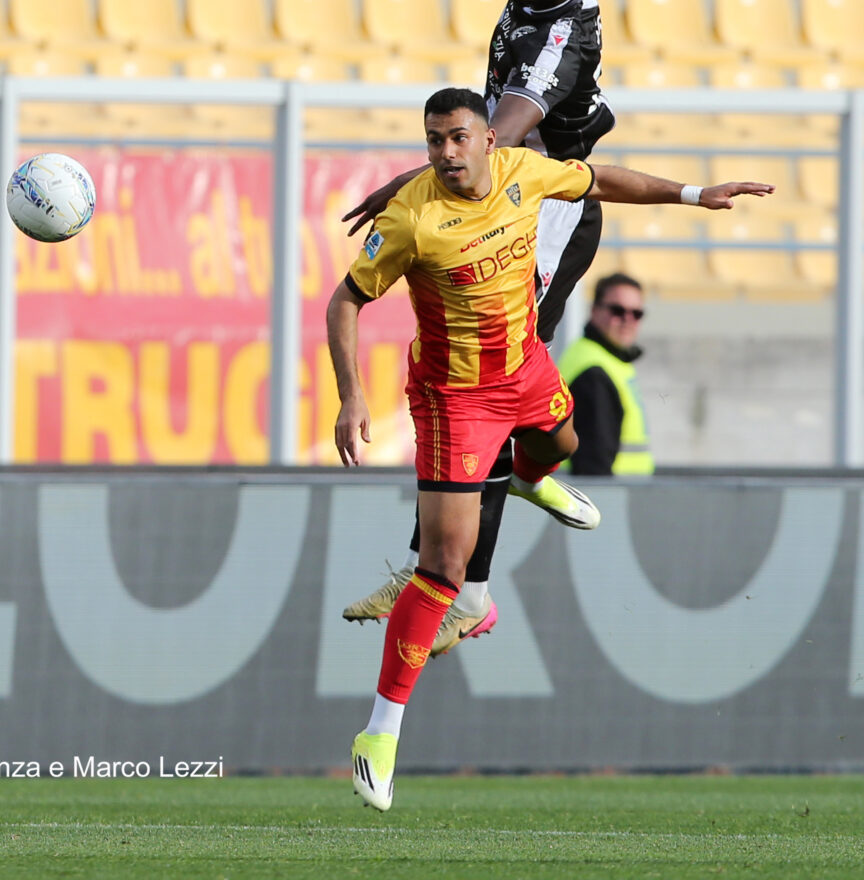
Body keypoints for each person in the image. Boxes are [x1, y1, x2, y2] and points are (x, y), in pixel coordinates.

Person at [329, 87, 773, 811]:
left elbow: (603, 181)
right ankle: (380, 733)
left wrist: (695, 195)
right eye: (434, 139)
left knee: (562, 441)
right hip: (456, 400)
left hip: (525, 368)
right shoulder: (411, 216)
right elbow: (345, 300)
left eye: (458, 137)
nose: (446, 152)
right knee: (443, 566)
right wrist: (351, 396)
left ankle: (529, 478)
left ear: (488, 140)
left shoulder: (524, 172)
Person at [340, 0, 650, 652]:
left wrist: (403, 185)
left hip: (548, 214)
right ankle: (489, 522)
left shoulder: (557, 46)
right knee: (475, 386)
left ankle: (467, 590)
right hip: (517, 203)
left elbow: (497, 140)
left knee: (490, 385)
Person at [559, 273, 653, 475]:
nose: (628, 320)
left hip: (623, 491)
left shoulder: (609, 361)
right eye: (617, 310)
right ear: (594, 310)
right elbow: (593, 465)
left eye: (637, 313)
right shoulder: (593, 373)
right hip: (608, 492)